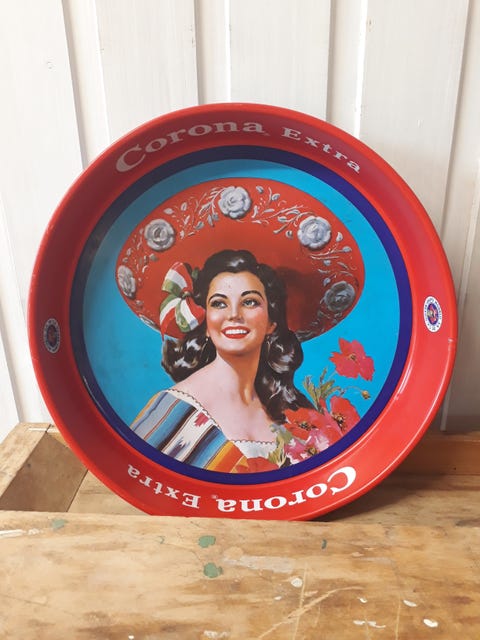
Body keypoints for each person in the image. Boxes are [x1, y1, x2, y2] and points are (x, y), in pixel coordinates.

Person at [130, 250, 342, 472]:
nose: (234, 314)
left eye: (249, 302)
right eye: (219, 303)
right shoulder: (173, 409)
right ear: (205, 323)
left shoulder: (294, 411)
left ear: (272, 323)